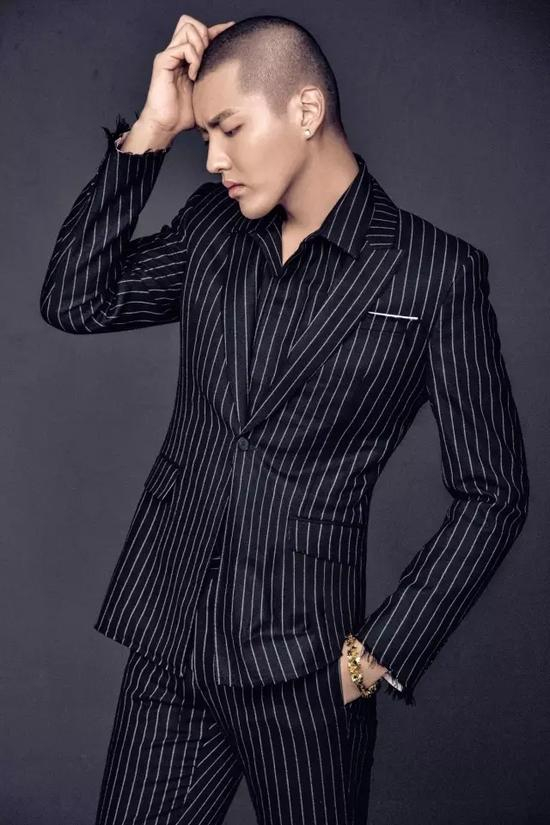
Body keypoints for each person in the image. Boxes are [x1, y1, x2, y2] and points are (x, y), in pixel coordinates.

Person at [39, 13, 529, 825]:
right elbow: (74, 300)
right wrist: (153, 130)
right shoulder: (213, 229)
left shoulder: (434, 275)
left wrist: (374, 658)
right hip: (171, 641)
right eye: (204, 136)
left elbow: (493, 491)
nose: (213, 159)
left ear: (305, 110)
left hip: (307, 673)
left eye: (228, 129)